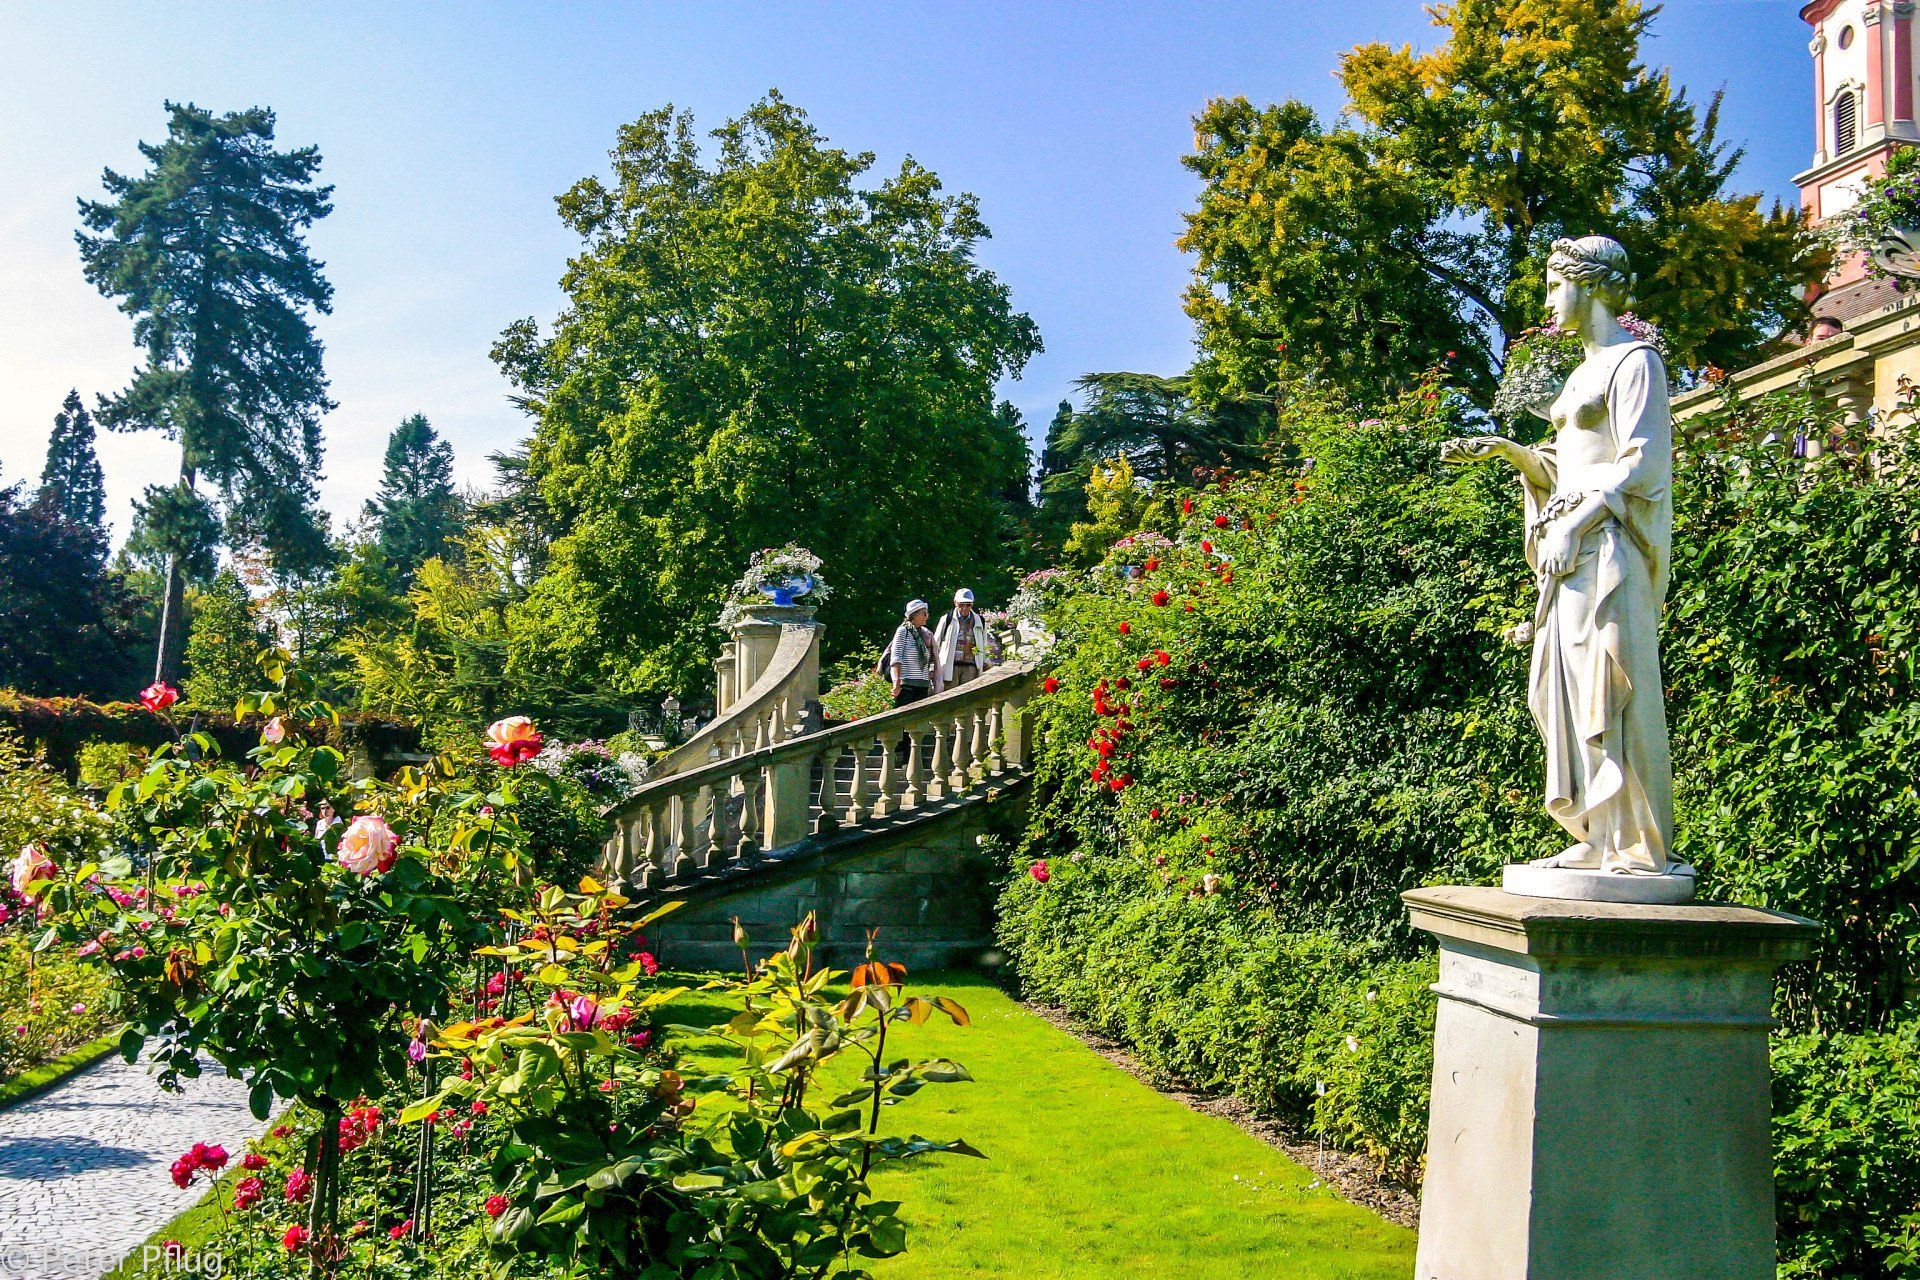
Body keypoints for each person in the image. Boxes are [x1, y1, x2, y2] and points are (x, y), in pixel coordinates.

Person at [1441, 234, 1673, 876]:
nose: (1547, 300)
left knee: (1612, 686)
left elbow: (1642, 464)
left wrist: (1577, 525)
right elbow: (1569, 468)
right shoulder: (1579, 375)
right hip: (1568, 555)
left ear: (1591, 284)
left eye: (1553, 284)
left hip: (1608, 551)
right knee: (1563, 693)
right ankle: (1597, 835)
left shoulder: (1636, 365)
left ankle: (1636, 845)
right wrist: (1513, 455)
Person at [934, 588, 996, 690]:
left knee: (968, 699)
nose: (964, 608)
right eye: (961, 604)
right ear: (955, 603)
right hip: (950, 667)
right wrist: (933, 667)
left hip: (971, 667)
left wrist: (985, 662)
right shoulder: (947, 619)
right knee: (949, 699)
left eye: (968, 605)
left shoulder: (979, 621)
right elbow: (936, 644)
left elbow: (984, 644)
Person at [886, 600, 939, 706]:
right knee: (904, 719)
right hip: (907, 685)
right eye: (924, 613)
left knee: (920, 720)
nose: (927, 616)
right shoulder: (903, 631)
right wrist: (896, 682)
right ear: (914, 615)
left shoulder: (924, 633)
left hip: (922, 685)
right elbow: (896, 658)